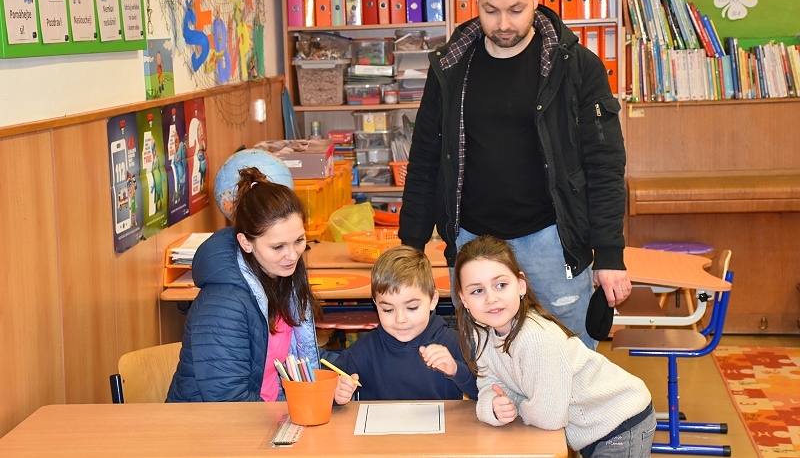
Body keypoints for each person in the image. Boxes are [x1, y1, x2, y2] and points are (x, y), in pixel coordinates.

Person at [398, 0, 630, 348]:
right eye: (491, 11)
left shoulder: (577, 67)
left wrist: (609, 254)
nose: (504, 24)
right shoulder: (451, 68)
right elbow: (425, 160)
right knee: (482, 365)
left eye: (516, 10)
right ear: (475, 1)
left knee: (569, 360)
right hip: (472, 243)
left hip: (553, 243)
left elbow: (604, 165)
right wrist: (411, 248)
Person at [454, 235, 655, 457]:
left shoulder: (535, 338)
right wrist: (493, 407)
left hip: (620, 421)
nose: (491, 298)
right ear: (463, 299)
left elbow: (548, 418)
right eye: (477, 291)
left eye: (501, 285)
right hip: (589, 429)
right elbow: (489, 385)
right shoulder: (481, 332)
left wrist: (515, 405)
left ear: (520, 285)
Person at [166, 167, 321, 402]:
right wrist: (287, 414)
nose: (292, 255)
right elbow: (228, 401)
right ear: (246, 243)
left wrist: (337, 378)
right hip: (215, 420)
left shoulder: (279, 277)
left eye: (299, 240)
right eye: (278, 247)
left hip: (267, 409)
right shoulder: (223, 305)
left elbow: (298, 354)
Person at [333, 245, 477, 405]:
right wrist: (335, 393)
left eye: (412, 308)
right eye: (388, 310)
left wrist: (456, 370)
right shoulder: (363, 351)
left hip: (443, 422)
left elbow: (484, 393)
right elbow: (323, 391)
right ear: (376, 304)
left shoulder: (456, 344)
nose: (400, 319)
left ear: (433, 300)